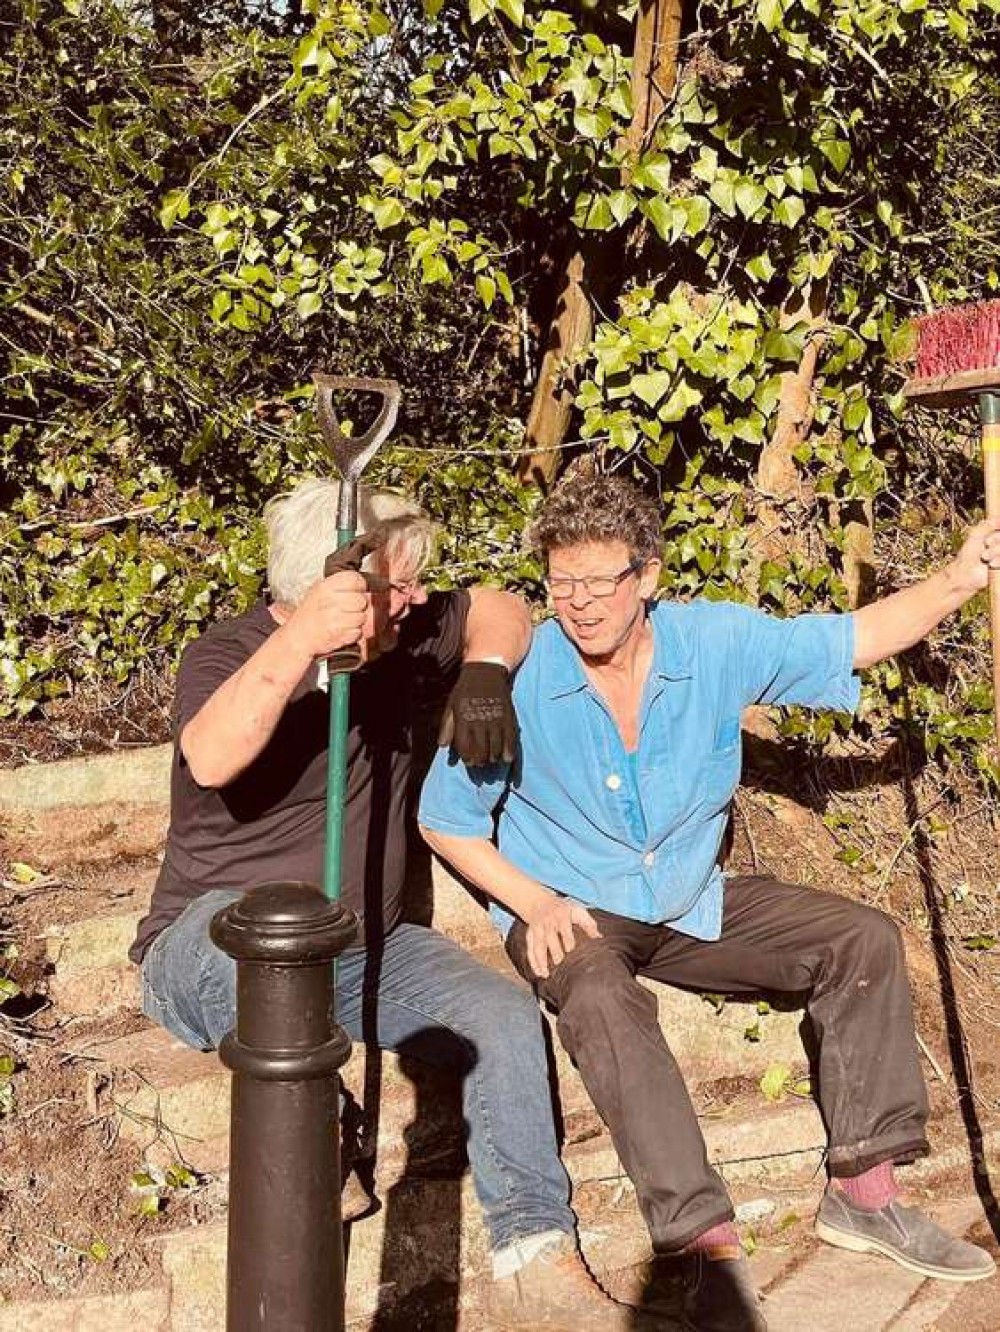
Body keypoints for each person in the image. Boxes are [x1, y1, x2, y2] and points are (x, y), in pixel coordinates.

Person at [419, 472, 1000, 1332]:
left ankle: (865, 1193)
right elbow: (446, 820)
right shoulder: (520, 677)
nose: (578, 604)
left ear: (646, 576)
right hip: (574, 907)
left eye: (600, 581)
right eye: (562, 582)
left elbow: (854, 639)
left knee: (862, 939)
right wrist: (531, 902)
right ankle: (704, 1246)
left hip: (689, 898)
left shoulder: (712, 642)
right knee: (604, 996)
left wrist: (960, 579)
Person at [129, 476, 645, 1330]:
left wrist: (482, 672)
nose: (414, 599)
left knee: (502, 1016)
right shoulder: (225, 654)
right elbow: (214, 755)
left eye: (412, 585)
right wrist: (301, 641)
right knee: (254, 980)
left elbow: (499, 606)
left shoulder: (401, 635)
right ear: (323, 589)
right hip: (214, 938)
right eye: (393, 586)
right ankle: (318, 1136)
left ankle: (538, 1253)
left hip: (369, 943)